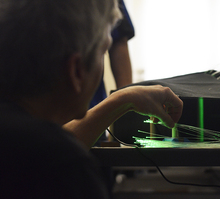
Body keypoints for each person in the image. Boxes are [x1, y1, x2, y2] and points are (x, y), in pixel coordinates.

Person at [0, 0, 183, 198]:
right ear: (77, 71)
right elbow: (52, 149)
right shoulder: (63, 168)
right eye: (102, 52)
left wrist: (124, 99)